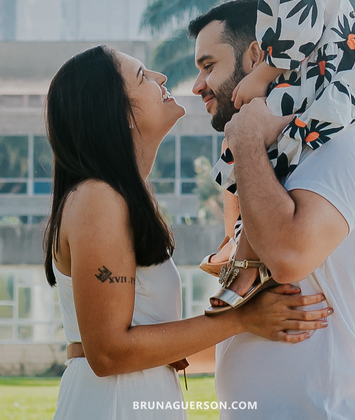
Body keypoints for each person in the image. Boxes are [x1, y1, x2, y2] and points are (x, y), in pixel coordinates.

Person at [44, 45, 332, 419]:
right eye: (142, 76)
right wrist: (243, 318)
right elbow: (108, 352)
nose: (160, 78)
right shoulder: (99, 198)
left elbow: (149, 342)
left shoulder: (123, 197)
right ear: (116, 113)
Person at [189, 0, 355, 418]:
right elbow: (240, 298)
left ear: (257, 57)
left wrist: (246, 143)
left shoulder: (341, 139)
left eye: (208, 65)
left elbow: (287, 258)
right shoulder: (267, 161)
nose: (198, 85)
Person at [192, 0, 355, 312]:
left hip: (327, 83)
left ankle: (242, 258)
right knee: (253, 144)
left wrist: (260, 76)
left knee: (252, 146)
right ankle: (240, 253)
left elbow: (296, 33)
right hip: (330, 80)